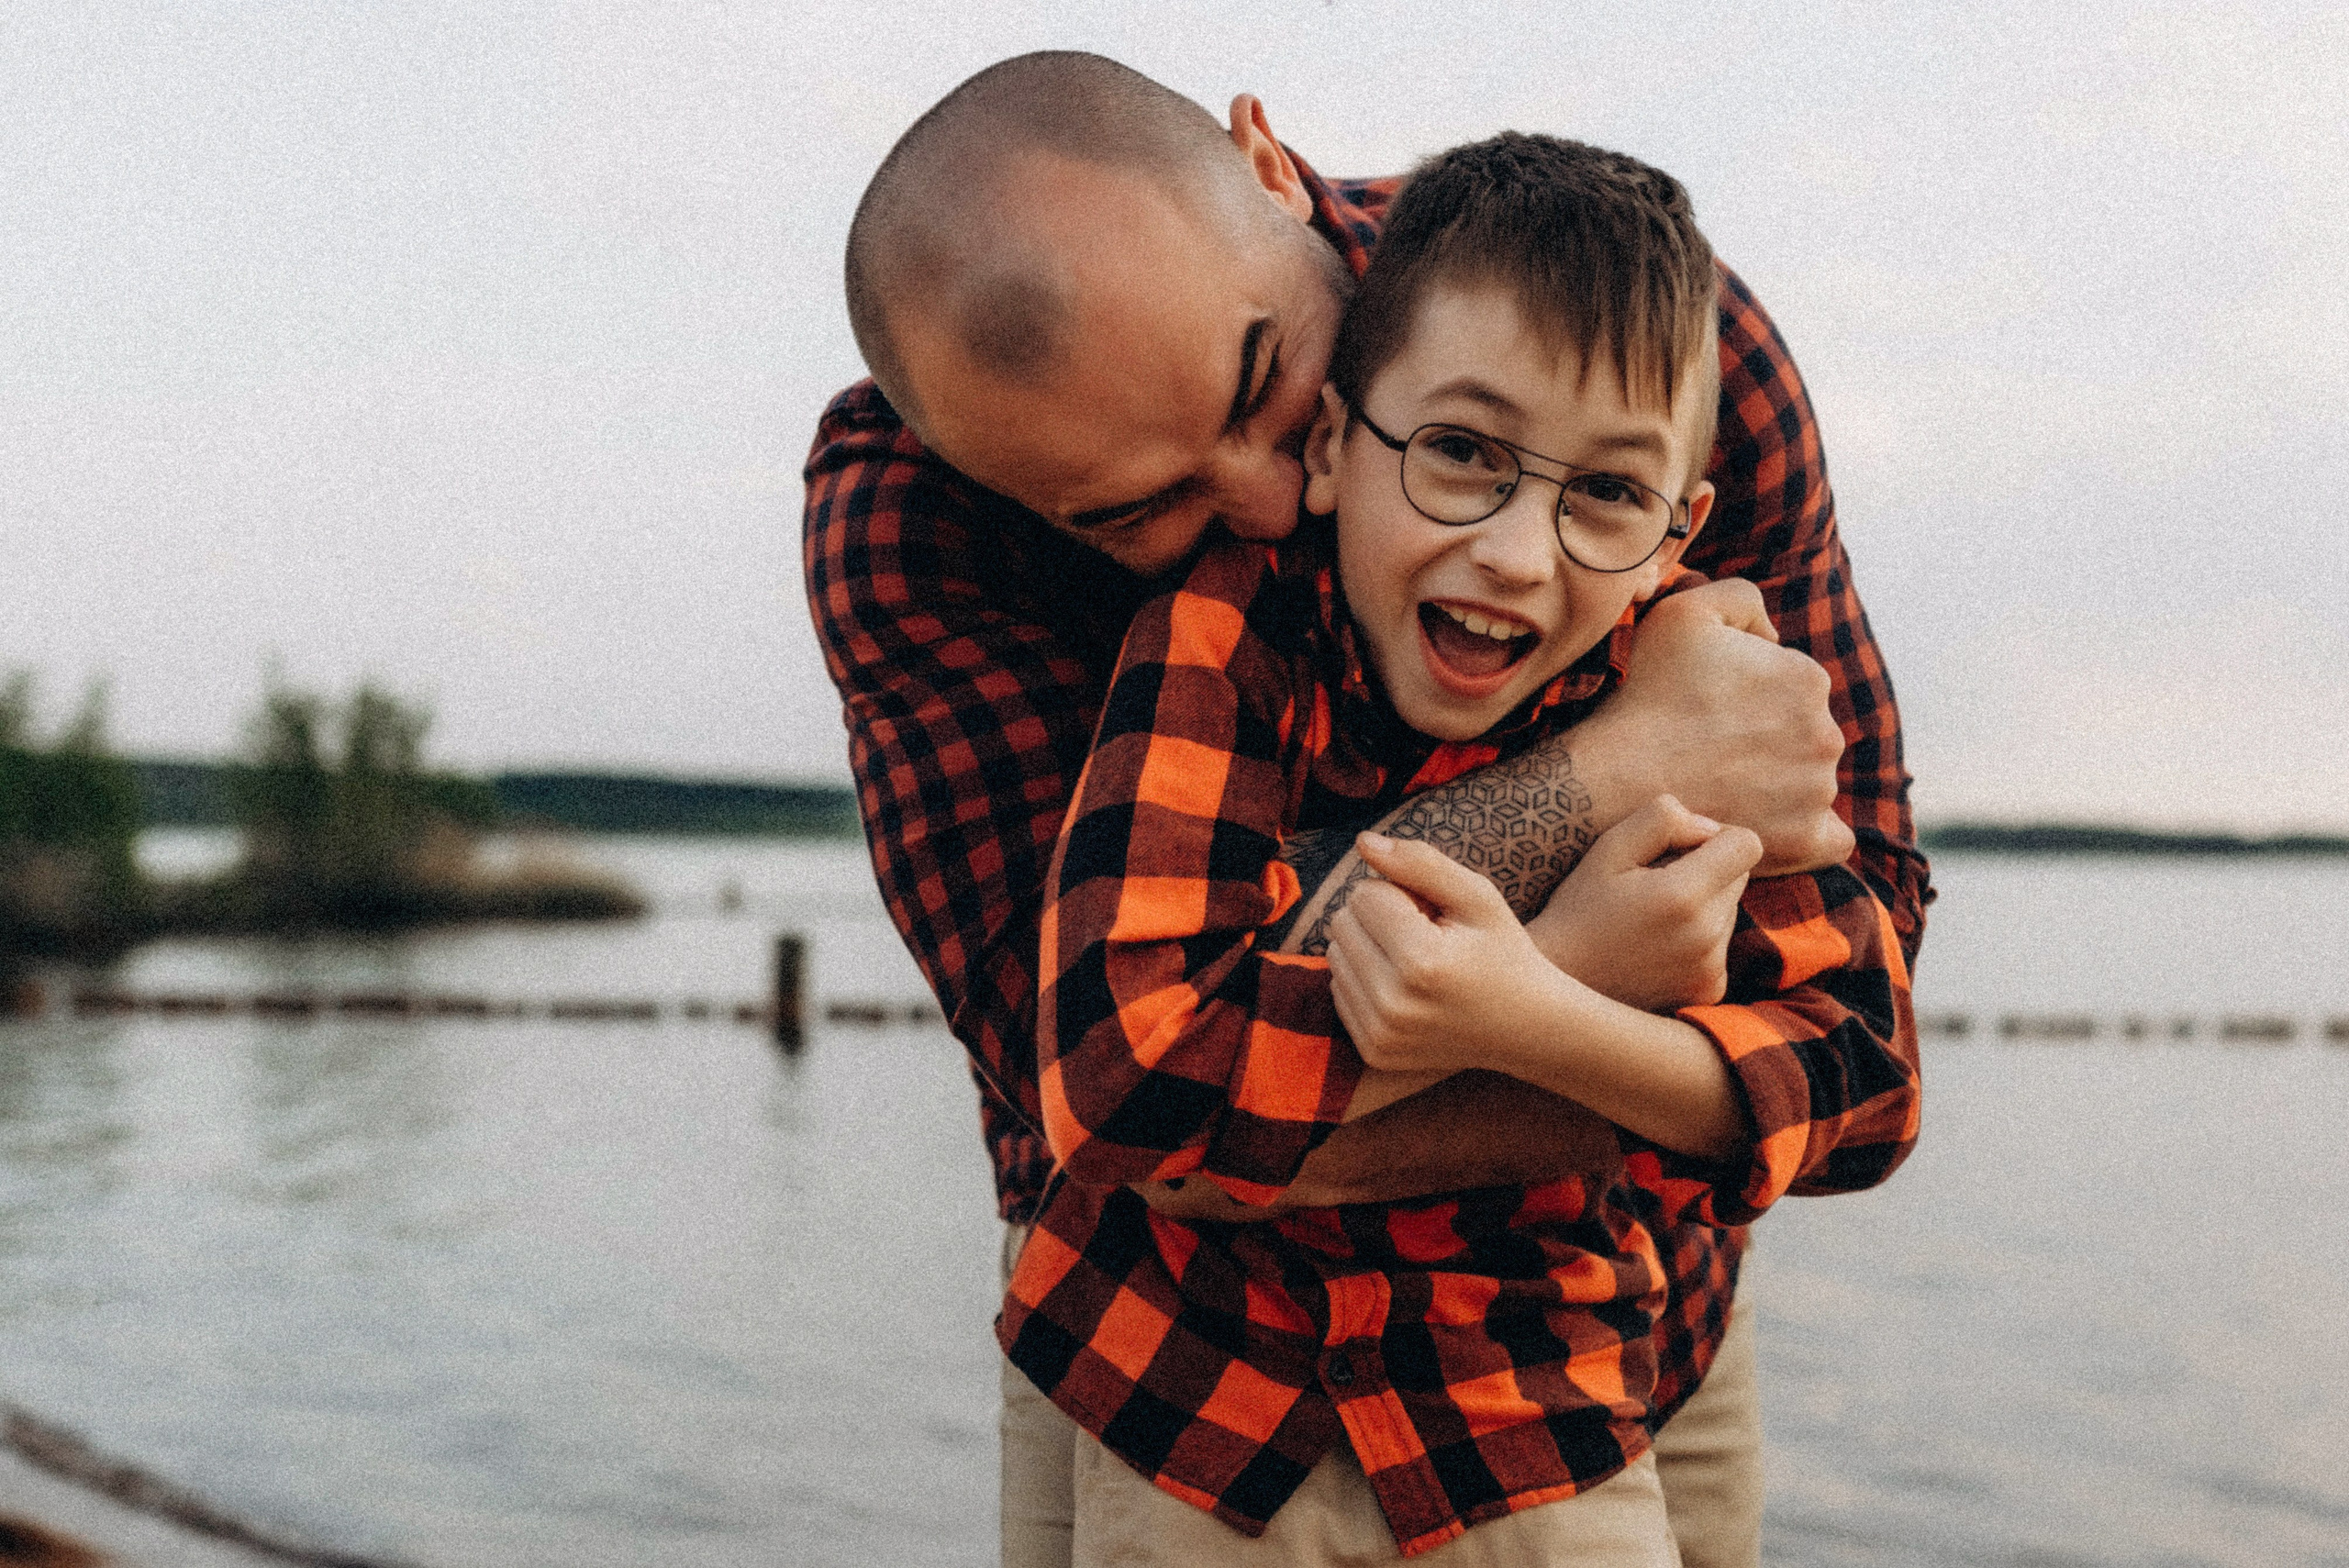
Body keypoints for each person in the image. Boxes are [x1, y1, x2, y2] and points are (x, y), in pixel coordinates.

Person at [804, 51, 1930, 1568]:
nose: (1270, 510)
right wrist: (1604, 834)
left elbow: (1864, 985)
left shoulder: (1649, 335)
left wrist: (1497, 1041)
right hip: (1185, 1372)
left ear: (1268, 166)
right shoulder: (919, 512)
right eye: (1131, 512)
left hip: (1609, 1347)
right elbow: (1109, 1098)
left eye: (1266, 389)